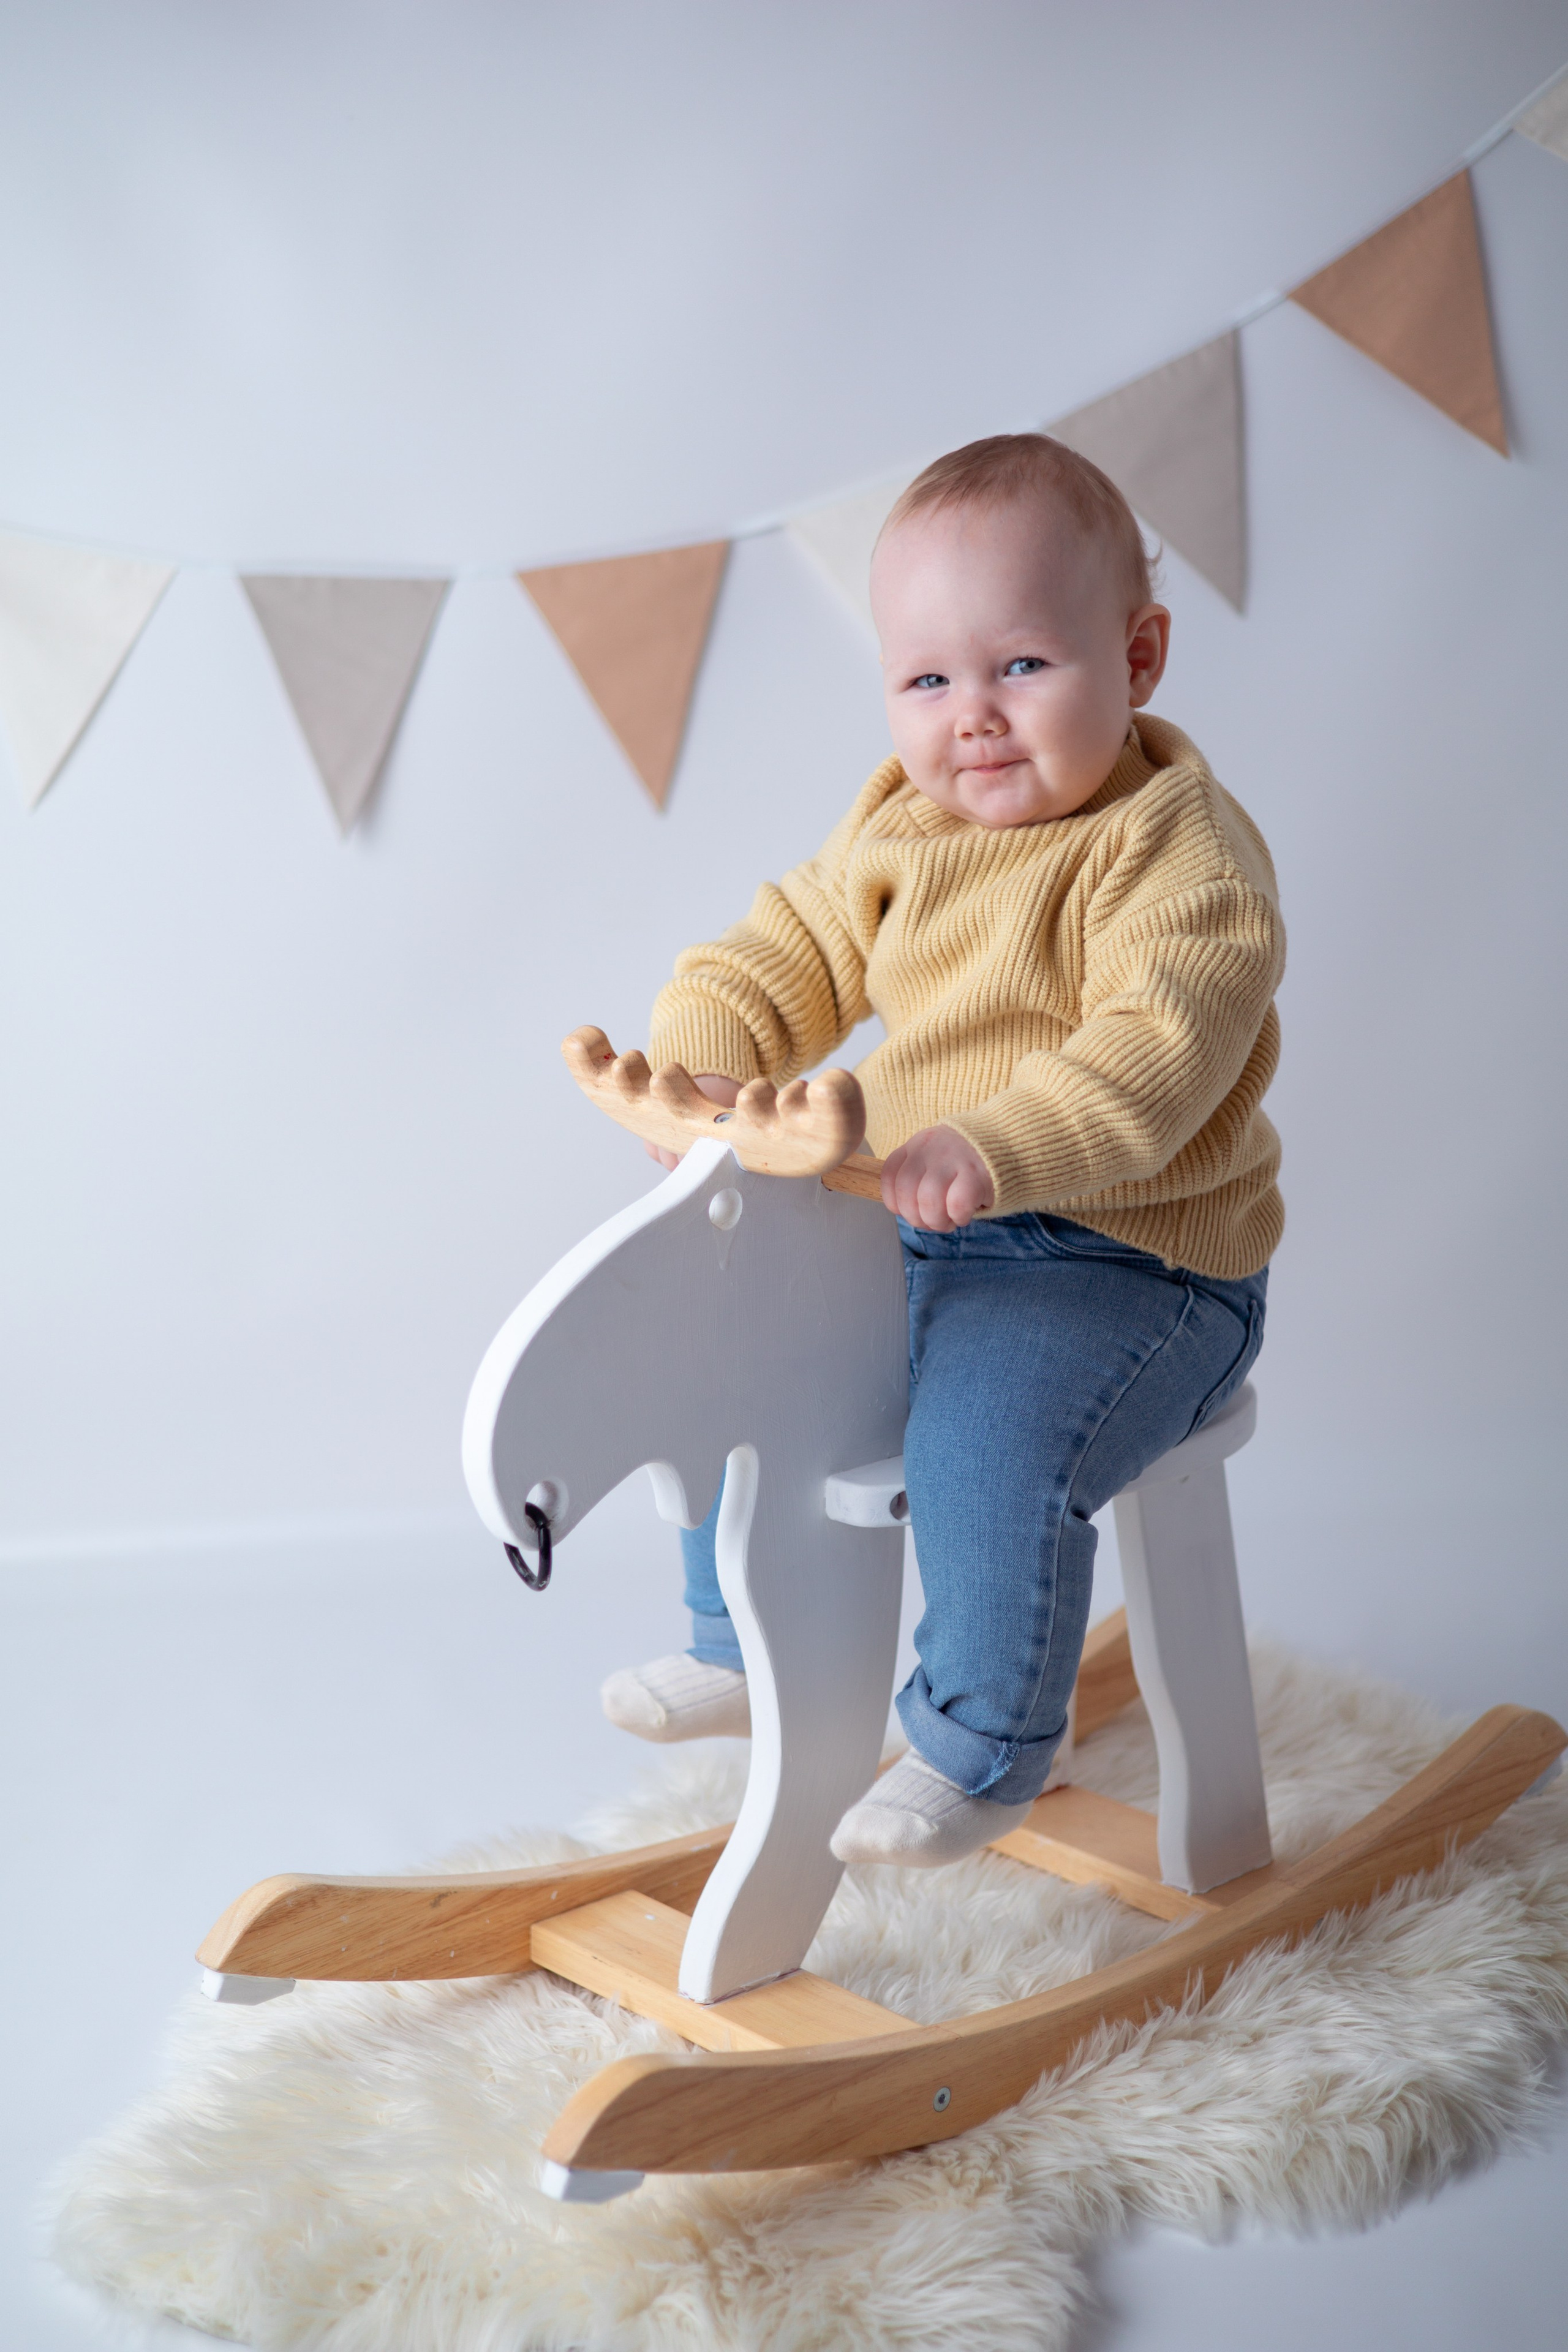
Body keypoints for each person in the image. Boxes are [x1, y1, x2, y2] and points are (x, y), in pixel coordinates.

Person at [599, 432, 1284, 1868]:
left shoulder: (1179, 855)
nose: (970, 717)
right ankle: (737, 1640)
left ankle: (977, 1743)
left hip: (1131, 1266)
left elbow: (1151, 1058)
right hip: (926, 1226)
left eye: (1020, 666)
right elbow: (787, 944)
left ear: (1137, 656)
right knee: (737, 1337)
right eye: (927, 680)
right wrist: (712, 1047)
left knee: (978, 1437)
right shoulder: (900, 830)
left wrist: (999, 1141)